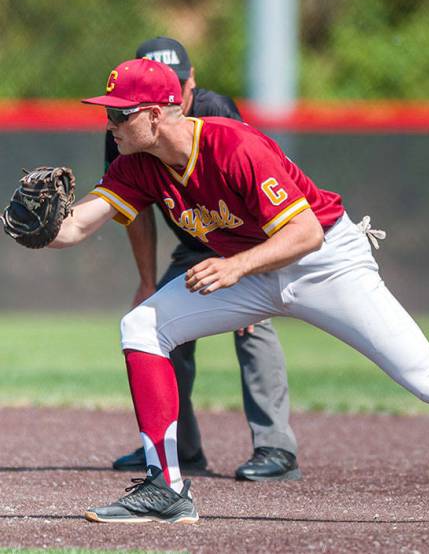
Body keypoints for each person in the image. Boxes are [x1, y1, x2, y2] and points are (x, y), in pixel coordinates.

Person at [46, 57, 429, 523]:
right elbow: (74, 227)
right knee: (143, 327)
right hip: (255, 271)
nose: (110, 122)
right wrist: (32, 228)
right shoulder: (137, 164)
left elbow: (305, 231)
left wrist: (234, 268)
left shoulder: (233, 144)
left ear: (158, 113)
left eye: (120, 113)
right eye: (108, 112)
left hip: (325, 261)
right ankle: (167, 488)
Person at [106, 37, 300, 481]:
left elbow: (251, 192)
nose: (167, 93)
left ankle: (276, 447)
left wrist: (247, 269)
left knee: (254, 328)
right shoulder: (124, 120)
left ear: (191, 81)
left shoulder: (216, 111)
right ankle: (177, 447)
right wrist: (146, 279)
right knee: (156, 323)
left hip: (246, 239)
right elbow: (132, 208)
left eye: (175, 82)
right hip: (193, 240)